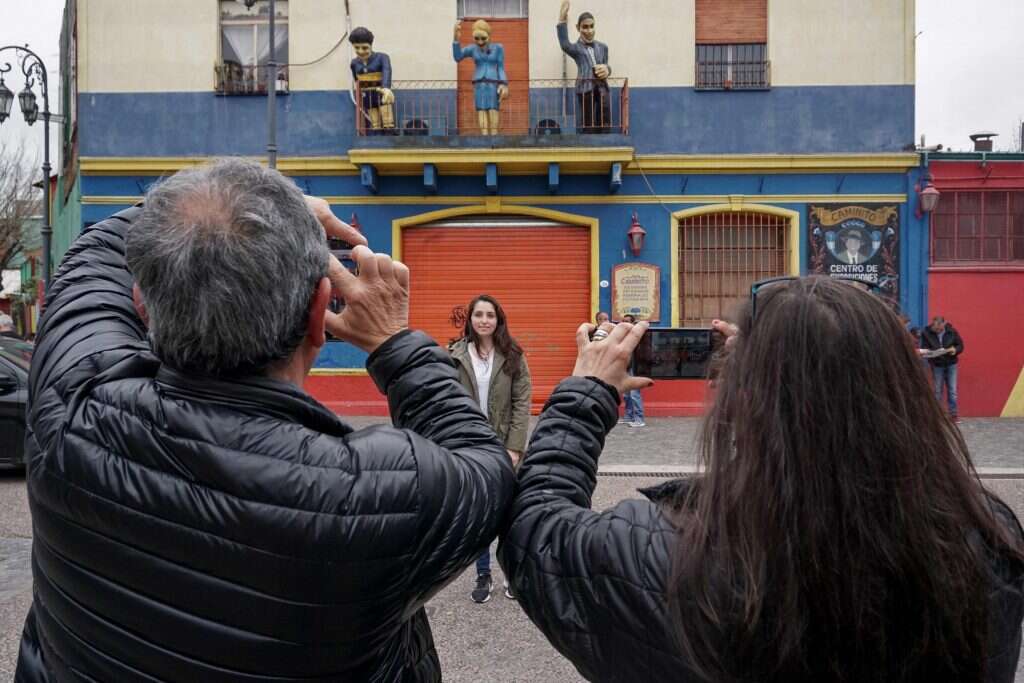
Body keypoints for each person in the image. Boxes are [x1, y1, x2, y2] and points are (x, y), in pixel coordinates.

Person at [15, 159, 516, 682]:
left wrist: (230, 209)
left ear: (143, 300)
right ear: (320, 312)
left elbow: (91, 259)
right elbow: (485, 463)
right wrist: (394, 342)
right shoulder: (382, 495)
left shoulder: (69, 408)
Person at [499, 277, 1023, 682]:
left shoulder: (667, 559)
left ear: (742, 400)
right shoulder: (986, 541)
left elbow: (536, 530)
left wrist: (587, 390)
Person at [449, 294, 532, 603]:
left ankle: (511, 572)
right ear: (470, 319)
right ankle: (483, 574)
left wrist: (515, 447)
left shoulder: (513, 354)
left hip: (503, 445)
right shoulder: (454, 354)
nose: (484, 320)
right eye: (478, 314)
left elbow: (522, 402)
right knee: (480, 512)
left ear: (498, 320)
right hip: (470, 445)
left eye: (490, 315)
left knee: (509, 511)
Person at [557, 1, 612, 134]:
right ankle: (589, 136)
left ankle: (605, 137)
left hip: (602, 87)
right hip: (585, 87)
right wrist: (562, 20)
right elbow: (564, 44)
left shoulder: (603, 47)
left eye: (591, 26)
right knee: (588, 120)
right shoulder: (576, 48)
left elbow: (606, 64)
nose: (589, 31)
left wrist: (607, 70)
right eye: (585, 27)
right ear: (578, 28)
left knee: (604, 116)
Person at [453, 19, 509, 136]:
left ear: (489, 35)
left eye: (483, 38)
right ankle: (484, 136)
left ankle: (494, 135)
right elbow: (458, 57)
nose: (480, 41)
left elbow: (501, 67)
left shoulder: (498, 48)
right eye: (476, 38)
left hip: (493, 83)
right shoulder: (472, 49)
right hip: (479, 83)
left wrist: (504, 84)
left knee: (493, 108)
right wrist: (456, 39)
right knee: (481, 108)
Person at [349, 26, 395, 133]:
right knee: (375, 122)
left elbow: (387, 71)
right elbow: (356, 79)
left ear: (370, 46)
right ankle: (376, 136)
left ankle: (389, 136)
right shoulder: (354, 63)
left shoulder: (382, 57)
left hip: (381, 92)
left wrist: (386, 88)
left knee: (387, 120)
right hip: (367, 94)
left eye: (364, 48)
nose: (360, 51)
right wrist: (360, 91)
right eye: (357, 48)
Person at [921, 315, 965, 421]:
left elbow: (960, 345)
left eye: (939, 329)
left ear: (943, 325)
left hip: (951, 363)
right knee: (937, 390)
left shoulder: (952, 331)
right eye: (935, 328)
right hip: (937, 364)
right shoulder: (926, 333)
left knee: (952, 390)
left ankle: (953, 414)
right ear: (932, 324)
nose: (937, 331)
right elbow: (924, 347)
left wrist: (955, 350)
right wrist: (929, 352)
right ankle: (936, 415)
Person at [620, 313, 645, 427]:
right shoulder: (623, 336)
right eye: (623, 321)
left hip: (635, 368)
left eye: (627, 321)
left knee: (635, 394)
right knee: (626, 395)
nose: (624, 323)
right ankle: (628, 417)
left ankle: (639, 419)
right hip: (626, 368)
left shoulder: (637, 335)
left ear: (633, 323)